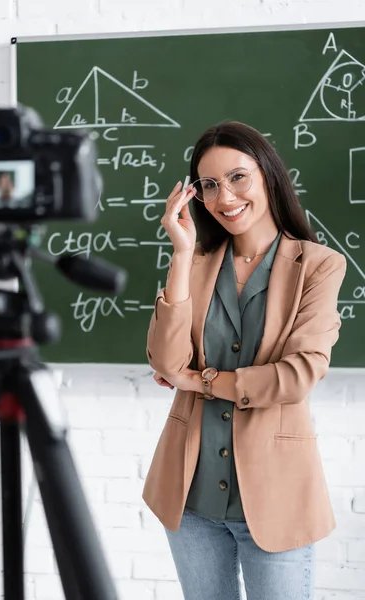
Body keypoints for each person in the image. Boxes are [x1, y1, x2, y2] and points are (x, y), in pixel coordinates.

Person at [142, 121, 346, 600]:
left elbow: (297, 376)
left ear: (268, 175)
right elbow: (167, 361)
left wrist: (202, 380)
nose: (224, 197)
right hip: (190, 499)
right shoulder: (194, 263)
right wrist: (181, 251)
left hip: (276, 500)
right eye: (209, 185)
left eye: (238, 177)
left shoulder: (318, 265)